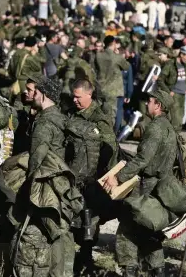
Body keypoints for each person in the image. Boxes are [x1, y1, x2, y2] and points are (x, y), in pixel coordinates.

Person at [9, 76, 81, 277]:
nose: (32, 95)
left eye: (35, 92)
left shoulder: (44, 123)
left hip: (46, 185)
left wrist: (28, 189)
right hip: (61, 183)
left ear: (43, 94)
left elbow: (36, 159)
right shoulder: (59, 117)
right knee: (61, 233)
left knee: (47, 233)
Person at [103, 90, 177, 277]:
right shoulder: (169, 127)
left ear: (158, 105)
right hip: (161, 184)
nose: (147, 104)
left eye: (150, 101)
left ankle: (129, 269)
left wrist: (118, 177)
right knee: (148, 229)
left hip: (147, 186)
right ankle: (158, 269)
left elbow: (143, 159)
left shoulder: (155, 128)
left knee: (127, 227)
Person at [65, 79, 118, 276]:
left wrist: (98, 172)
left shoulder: (99, 118)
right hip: (73, 174)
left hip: (91, 179)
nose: (75, 100)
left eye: (78, 97)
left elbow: (110, 147)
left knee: (89, 219)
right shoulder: (71, 113)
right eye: (73, 96)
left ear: (89, 95)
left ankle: (86, 256)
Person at [94, 35, 131, 122]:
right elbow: (126, 67)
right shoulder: (116, 57)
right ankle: (109, 133)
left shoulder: (98, 56)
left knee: (98, 112)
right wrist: (118, 55)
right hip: (112, 90)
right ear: (114, 43)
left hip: (100, 88)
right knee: (110, 115)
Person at [157, 45, 186, 131]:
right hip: (174, 94)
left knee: (180, 119)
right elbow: (160, 80)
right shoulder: (170, 64)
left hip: (183, 95)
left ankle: (175, 139)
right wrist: (168, 91)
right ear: (181, 54)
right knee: (174, 119)